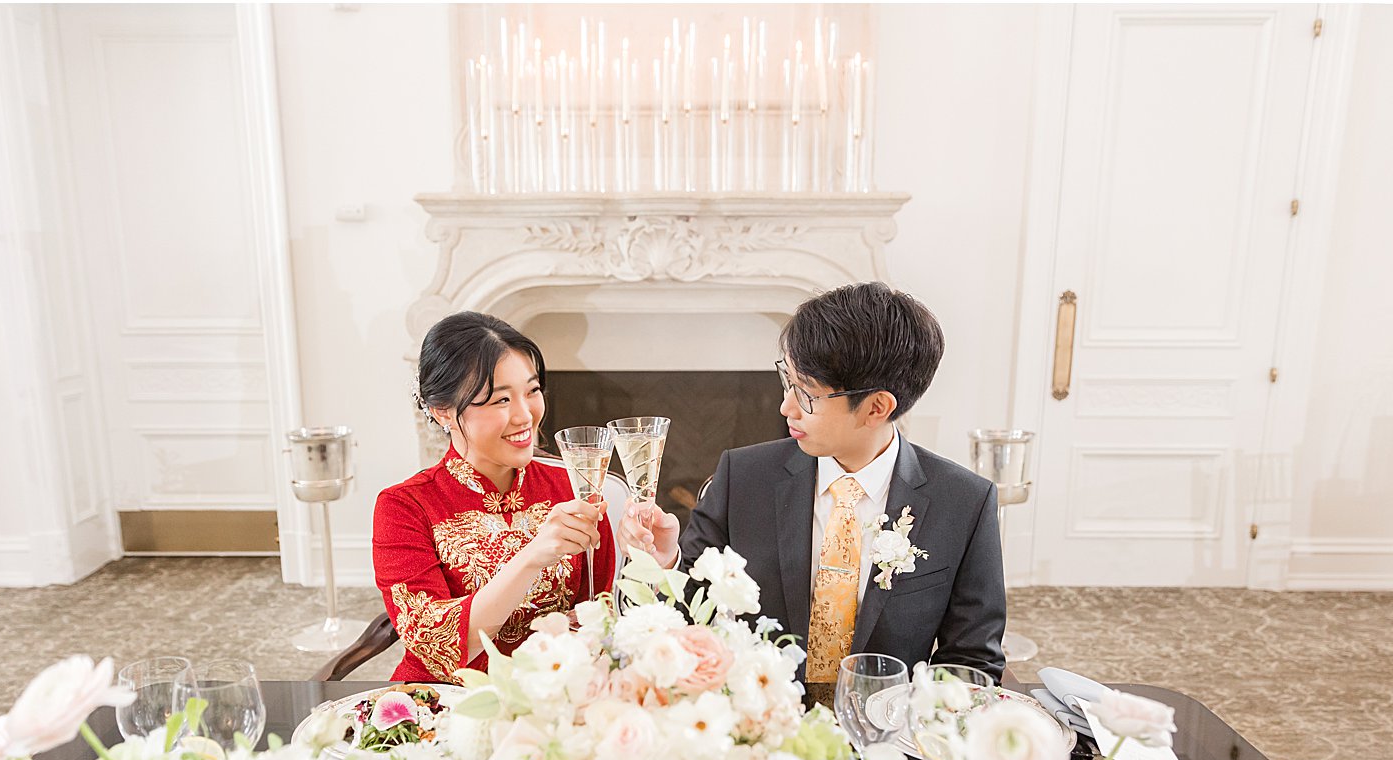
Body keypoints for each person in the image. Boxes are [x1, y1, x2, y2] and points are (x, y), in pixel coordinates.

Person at [617, 281, 1006, 690]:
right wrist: (664, 561)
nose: (785, 406)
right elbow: (687, 620)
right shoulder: (744, 477)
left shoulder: (964, 503)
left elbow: (971, 662)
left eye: (807, 394)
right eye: (789, 381)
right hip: (759, 726)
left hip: (891, 737)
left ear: (877, 407)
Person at [373, 312, 613, 683]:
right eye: (500, 400)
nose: (525, 416)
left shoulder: (573, 486)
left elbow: (601, 611)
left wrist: (659, 559)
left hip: (555, 700)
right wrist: (532, 556)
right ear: (442, 412)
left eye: (532, 391)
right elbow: (437, 647)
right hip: (444, 708)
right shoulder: (404, 507)